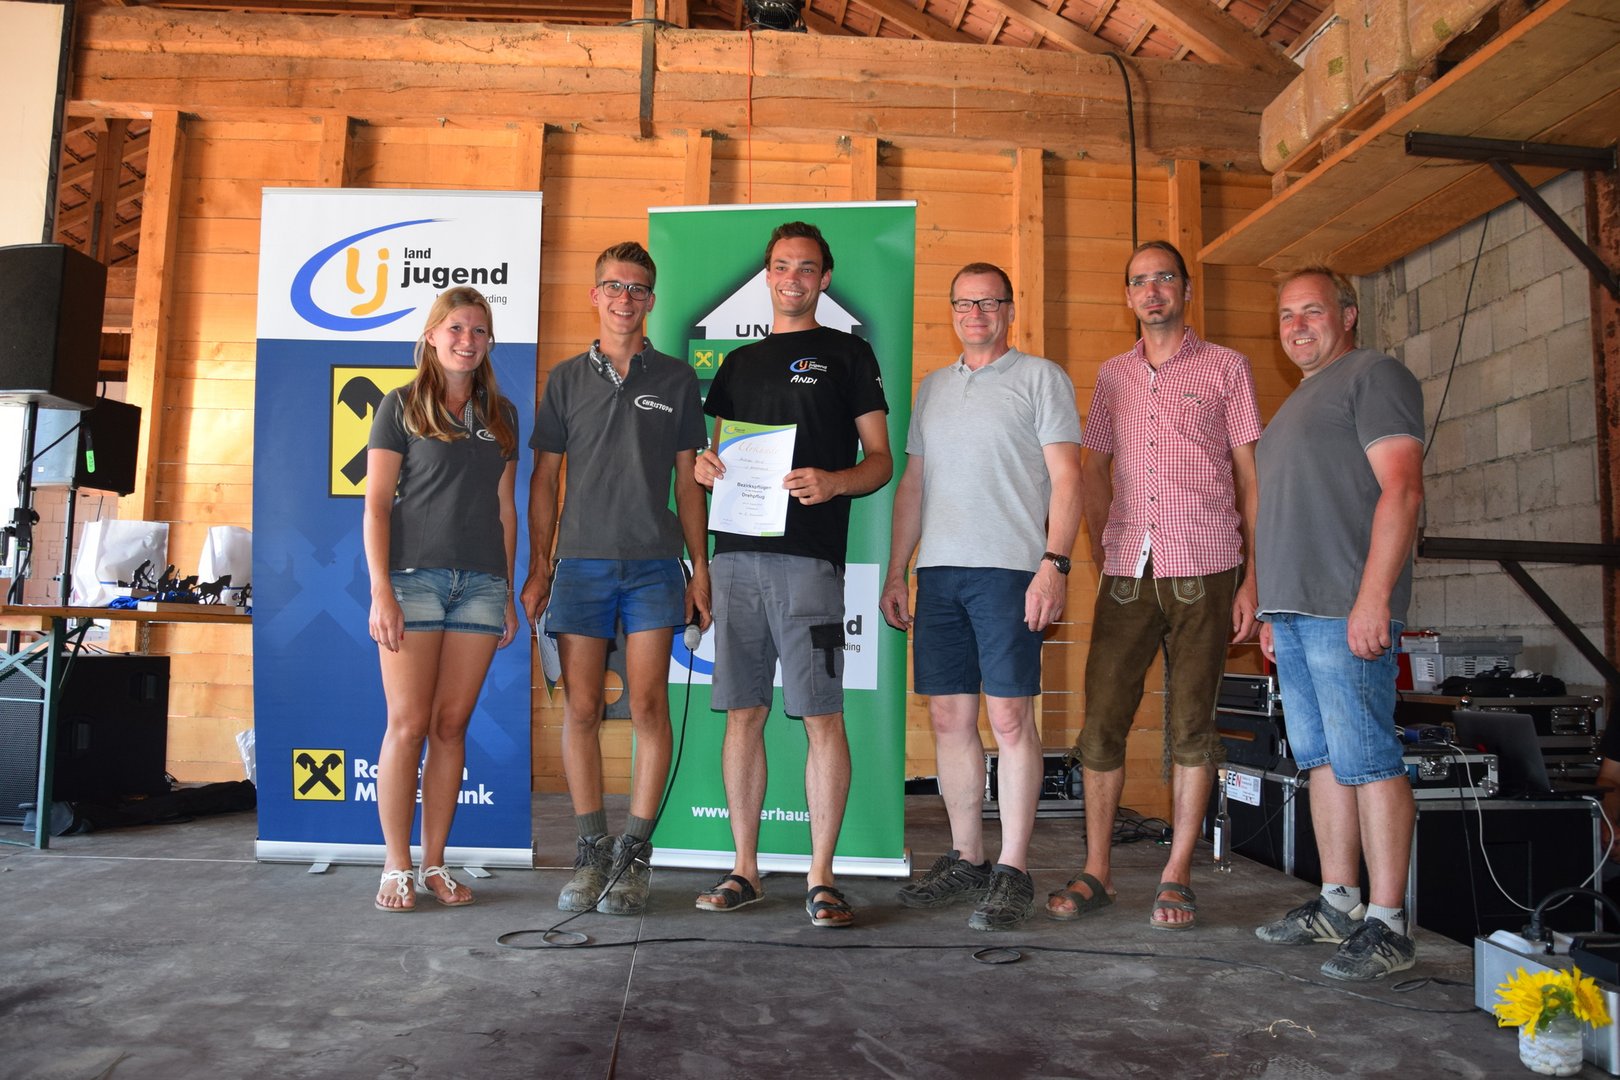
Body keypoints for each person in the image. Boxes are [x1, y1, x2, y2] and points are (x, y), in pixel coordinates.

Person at [1047, 241, 1262, 931]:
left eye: (1165, 278)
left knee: (1192, 726)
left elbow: (1251, 478)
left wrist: (1253, 579)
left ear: (1185, 290)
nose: (1152, 290)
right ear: (1128, 296)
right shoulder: (1112, 375)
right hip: (1126, 571)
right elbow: (1092, 468)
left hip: (1207, 563)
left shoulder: (1227, 367)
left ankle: (1178, 873)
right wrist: (1104, 545)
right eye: (1139, 281)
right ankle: (1098, 871)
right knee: (1101, 723)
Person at [692, 221, 892, 928]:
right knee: (742, 713)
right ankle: (745, 868)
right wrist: (705, 466)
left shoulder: (849, 353)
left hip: (812, 563)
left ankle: (821, 876)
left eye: (807, 268)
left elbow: (880, 462)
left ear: (824, 278)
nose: (793, 278)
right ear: (768, 276)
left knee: (821, 715)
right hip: (734, 559)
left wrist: (834, 482)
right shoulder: (738, 363)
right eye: (782, 266)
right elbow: (715, 457)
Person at [880, 263, 1081, 931]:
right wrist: (897, 570)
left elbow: (1067, 477)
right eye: (964, 303)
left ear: (1009, 310)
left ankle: (1013, 869)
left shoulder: (1041, 378)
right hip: (939, 575)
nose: (976, 314)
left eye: (989, 303)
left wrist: (1054, 565)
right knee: (948, 720)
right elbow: (913, 485)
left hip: (1011, 573)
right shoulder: (933, 388)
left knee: (1012, 721)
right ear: (952, 311)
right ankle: (968, 858)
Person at [520, 242, 711, 917]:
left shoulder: (677, 379)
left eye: (636, 288)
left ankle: (634, 857)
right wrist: (540, 566)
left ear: (651, 299)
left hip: (656, 566)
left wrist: (701, 568)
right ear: (595, 295)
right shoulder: (566, 379)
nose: (624, 298)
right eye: (613, 286)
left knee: (649, 707)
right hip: (580, 565)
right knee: (581, 709)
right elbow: (545, 479)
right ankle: (590, 851)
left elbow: (689, 483)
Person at [1253, 266, 1425, 981]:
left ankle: (1388, 923)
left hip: (1343, 608)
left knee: (1369, 759)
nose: (1297, 326)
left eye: (1312, 311)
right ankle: (1338, 902)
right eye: (1286, 315)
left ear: (1348, 315)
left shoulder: (1373, 375)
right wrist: (1269, 608)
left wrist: (1373, 598)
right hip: (1294, 614)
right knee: (1321, 761)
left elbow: (1402, 489)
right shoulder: (1297, 402)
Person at [364, 286, 520, 913]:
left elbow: (506, 510)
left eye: (479, 331)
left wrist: (507, 591)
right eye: (456, 328)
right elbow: (376, 505)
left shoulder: (503, 415)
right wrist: (381, 590)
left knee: (451, 726)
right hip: (413, 582)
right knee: (408, 725)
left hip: (481, 587)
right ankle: (395, 865)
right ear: (431, 336)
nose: (467, 340)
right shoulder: (399, 405)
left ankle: (434, 863)